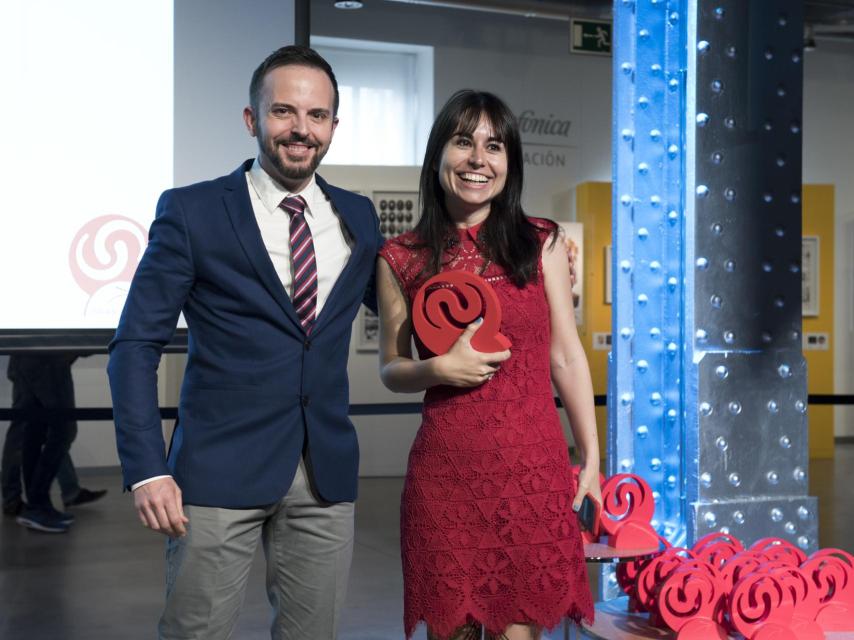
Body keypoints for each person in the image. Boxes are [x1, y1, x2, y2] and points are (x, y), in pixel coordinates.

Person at [107, 45, 383, 639]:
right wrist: (147, 470)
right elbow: (135, 345)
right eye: (284, 112)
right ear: (252, 119)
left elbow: (413, 305)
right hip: (214, 472)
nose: (300, 130)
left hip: (324, 474)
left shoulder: (359, 218)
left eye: (317, 116)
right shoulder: (193, 211)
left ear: (334, 125)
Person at [377, 90, 600, 640]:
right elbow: (391, 367)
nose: (478, 159)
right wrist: (439, 371)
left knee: (518, 633)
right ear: (437, 158)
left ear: (510, 163)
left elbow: (566, 354)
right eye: (463, 142)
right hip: (446, 478)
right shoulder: (401, 257)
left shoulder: (543, 243)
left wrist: (591, 453)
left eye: (494, 146)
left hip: (532, 474)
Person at [2, 355, 107, 526]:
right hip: (47, 358)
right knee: (59, 430)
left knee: (34, 430)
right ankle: (36, 502)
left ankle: (38, 503)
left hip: (34, 358)